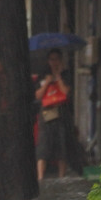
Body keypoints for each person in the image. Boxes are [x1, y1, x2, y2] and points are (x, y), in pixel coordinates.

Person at [35, 49, 72, 181]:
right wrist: (47, 82)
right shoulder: (43, 75)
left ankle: (61, 176)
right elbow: (38, 95)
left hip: (61, 113)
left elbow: (66, 92)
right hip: (46, 114)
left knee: (61, 146)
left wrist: (59, 78)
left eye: (57, 59)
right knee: (43, 147)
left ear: (61, 60)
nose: (54, 62)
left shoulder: (66, 75)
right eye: (51, 59)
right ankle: (40, 177)